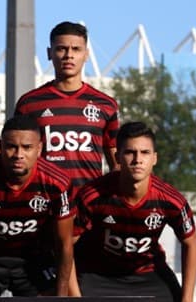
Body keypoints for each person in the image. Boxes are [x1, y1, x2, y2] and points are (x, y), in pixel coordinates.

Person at [73, 122, 196, 302]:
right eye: (130, 152)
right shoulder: (92, 195)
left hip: (147, 273)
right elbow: (65, 245)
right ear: (118, 156)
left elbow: (190, 241)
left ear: (154, 158)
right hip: (98, 275)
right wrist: (71, 292)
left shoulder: (170, 200)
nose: (137, 159)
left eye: (144, 152)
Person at [0, 115, 74, 297]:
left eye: (27, 147)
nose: (18, 155)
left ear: (39, 149)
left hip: (33, 261)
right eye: (11, 147)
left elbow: (64, 243)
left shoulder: (58, 183)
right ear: (0, 146)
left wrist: (61, 295)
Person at [14, 21, 119, 189]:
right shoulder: (29, 104)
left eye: (76, 49)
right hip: (44, 200)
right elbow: (17, 155)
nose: (68, 55)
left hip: (89, 203)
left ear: (86, 54)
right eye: (61, 48)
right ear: (50, 53)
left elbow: (117, 165)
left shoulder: (106, 105)